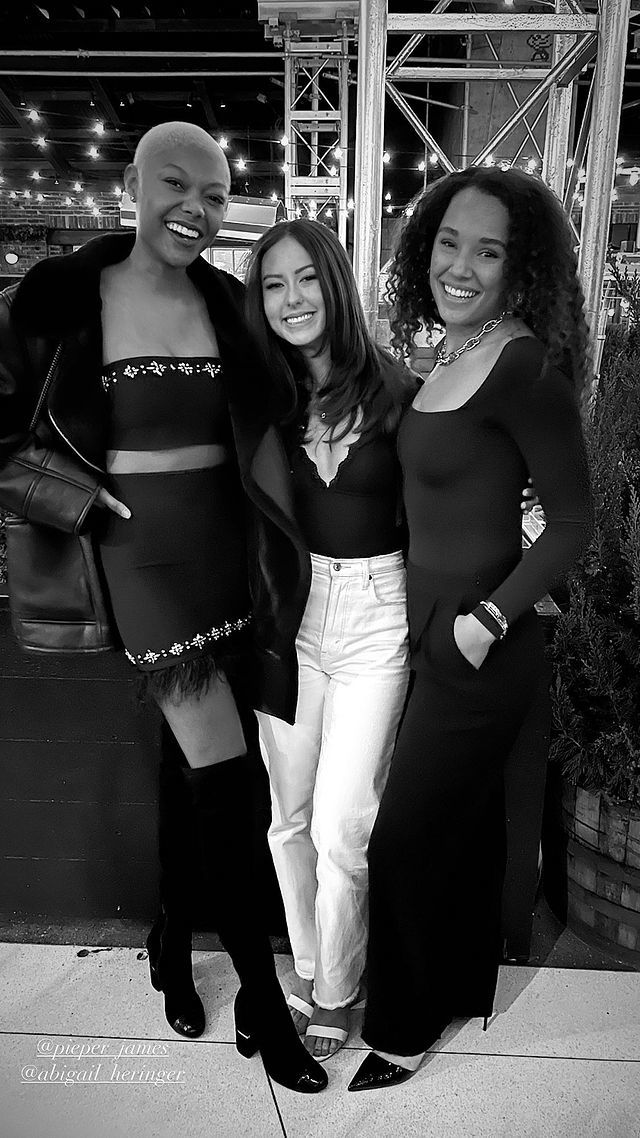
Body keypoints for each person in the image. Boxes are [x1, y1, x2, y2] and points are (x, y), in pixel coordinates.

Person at [0, 122, 327, 1095]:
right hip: (139, 562)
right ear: (135, 186)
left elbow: (283, 404)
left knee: (191, 772)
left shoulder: (227, 301)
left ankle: (171, 938)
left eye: (216, 194)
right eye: (176, 184)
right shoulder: (62, 298)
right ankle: (263, 1005)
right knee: (229, 784)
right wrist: (72, 496)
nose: (196, 207)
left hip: (230, 557)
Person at [348, 165, 593, 1091]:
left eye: (487, 252)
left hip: (480, 645)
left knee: (404, 838)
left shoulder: (524, 367)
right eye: (448, 242)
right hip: (425, 630)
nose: (461, 265)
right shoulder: (453, 353)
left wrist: (489, 618)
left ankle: (402, 1028)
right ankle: (453, 986)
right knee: (453, 830)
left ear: (518, 266)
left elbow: (573, 523)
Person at [244, 219, 415, 1059]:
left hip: (378, 611)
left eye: (306, 278)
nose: (291, 299)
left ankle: (339, 991)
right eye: (273, 285)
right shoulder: (260, 400)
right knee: (289, 817)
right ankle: (313, 968)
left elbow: (446, 501)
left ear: (336, 283)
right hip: (290, 614)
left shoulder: (399, 389)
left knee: (344, 824)